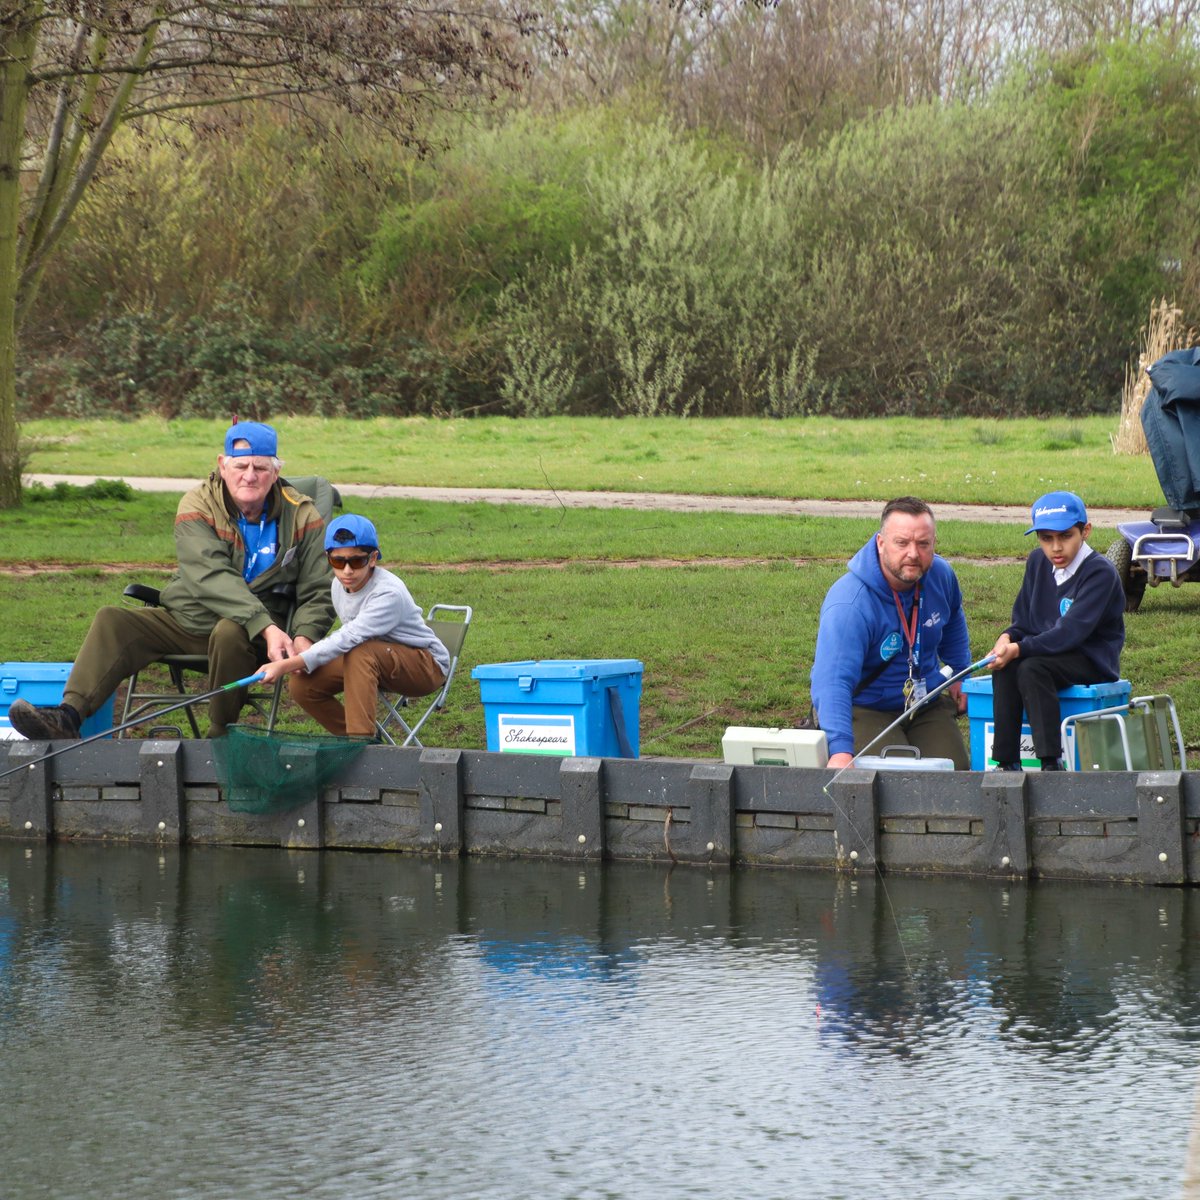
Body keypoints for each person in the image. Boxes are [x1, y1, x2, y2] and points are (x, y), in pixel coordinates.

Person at [9, 421, 335, 740]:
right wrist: (263, 622)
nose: (250, 475)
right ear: (223, 465)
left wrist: (304, 636)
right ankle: (67, 716)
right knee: (113, 620)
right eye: (241, 465)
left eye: (261, 468)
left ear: (276, 472)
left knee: (229, 631)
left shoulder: (303, 514)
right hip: (193, 619)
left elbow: (319, 589)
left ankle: (220, 737)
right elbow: (207, 575)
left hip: (261, 638)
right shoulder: (197, 504)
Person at [810, 496, 971, 769]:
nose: (913, 553)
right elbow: (832, 681)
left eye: (923, 544)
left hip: (922, 704)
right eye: (902, 543)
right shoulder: (850, 603)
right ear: (881, 543)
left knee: (954, 775)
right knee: (898, 777)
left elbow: (953, 615)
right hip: (864, 706)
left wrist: (959, 671)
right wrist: (839, 750)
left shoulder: (941, 575)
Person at [257, 514, 449, 737]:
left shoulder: (388, 593)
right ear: (328, 558)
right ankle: (355, 741)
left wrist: (286, 664)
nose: (347, 570)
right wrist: (299, 664)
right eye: (338, 561)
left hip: (426, 666)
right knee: (303, 685)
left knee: (360, 651)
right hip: (374, 660)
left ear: (373, 558)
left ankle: (361, 742)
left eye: (356, 561)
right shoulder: (338, 586)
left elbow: (350, 637)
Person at [986, 490, 1125, 771]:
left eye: (1065, 536)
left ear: (1085, 531)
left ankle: (1050, 761)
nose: (1055, 548)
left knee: (1031, 667)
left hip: (1089, 657)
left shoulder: (1101, 572)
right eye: (1046, 538)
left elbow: (1070, 632)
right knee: (1005, 667)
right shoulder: (1038, 562)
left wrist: (1019, 648)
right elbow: (1023, 620)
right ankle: (1006, 761)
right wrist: (1007, 637)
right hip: (1047, 652)